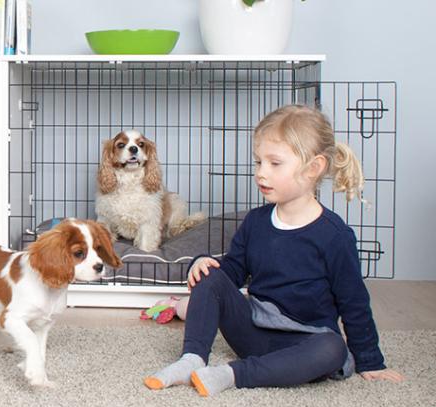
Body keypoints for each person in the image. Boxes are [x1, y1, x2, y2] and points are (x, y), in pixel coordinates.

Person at [143, 104, 404, 397]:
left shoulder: (334, 235)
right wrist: (202, 264)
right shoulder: (255, 222)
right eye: (258, 162)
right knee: (209, 274)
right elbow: (230, 274)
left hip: (305, 342)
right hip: (253, 333)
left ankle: (231, 375)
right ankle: (191, 359)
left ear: (313, 168)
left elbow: (354, 301)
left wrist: (370, 360)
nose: (261, 173)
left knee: (332, 348)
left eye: (274, 164)